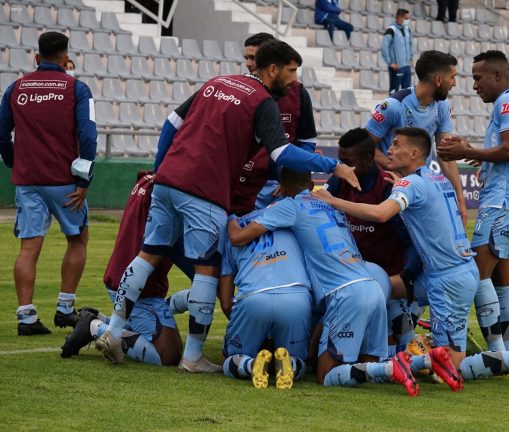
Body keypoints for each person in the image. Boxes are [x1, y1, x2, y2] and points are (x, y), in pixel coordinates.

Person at [96, 40, 359, 372]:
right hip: (205, 191)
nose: (294, 80)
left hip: (167, 181)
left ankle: (114, 331)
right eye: (291, 72)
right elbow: (282, 154)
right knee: (208, 269)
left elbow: (171, 123)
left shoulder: (216, 82)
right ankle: (192, 357)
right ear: (274, 69)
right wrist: (332, 166)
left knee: (148, 253)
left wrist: (162, 169)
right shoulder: (263, 102)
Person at [315, 127, 509, 392]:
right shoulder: (433, 178)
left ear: (414, 152)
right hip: (442, 273)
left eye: (396, 144)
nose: (389, 150)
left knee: (451, 367)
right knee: (385, 289)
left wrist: (333, 201)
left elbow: (382, 214)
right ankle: (409, 343)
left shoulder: (411, 183)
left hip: (448, 281)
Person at [227, 168, 420, 396]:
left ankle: (390, 367)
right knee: (367, 366)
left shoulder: (290, 206)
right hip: (372, 286)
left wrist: (230, 217)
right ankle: (421, 362)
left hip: (346, 293)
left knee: (326, 376)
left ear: (282, 188)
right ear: (311, 184)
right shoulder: (331, 205)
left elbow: (238, 237)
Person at [0, 32, 96, 336]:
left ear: (36, 58)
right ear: (66, 60)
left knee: (28, 248)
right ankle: (66, 308)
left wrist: (16, 163)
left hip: (28, 180)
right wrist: (83, 179)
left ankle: (26, 317)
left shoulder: (16, 88)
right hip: (64, 181)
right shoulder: (77, 88)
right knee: (78, 239)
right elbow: (89, 136)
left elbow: (2, 134)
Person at [436, 50, 509, 353]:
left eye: (478, 78)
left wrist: (469, 153)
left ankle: (496, 353)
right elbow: (506, 154)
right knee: (504, 277)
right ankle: (505, 349)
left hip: (501, 204)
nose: (475, 85)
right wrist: (480, 158)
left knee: (476, 275)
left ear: (498, 76)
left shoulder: (508, 103)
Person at [60, 171, 192, 365]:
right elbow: (177, 246)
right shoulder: (172, 191)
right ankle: (95, 328)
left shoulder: (148, 180)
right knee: (168, 355)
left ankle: (103, 320)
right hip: (140, 289)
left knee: (203, 284)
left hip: (126, 278)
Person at [325, 128, 422, 356]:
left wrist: (405, 279)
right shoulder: (339, 181)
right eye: (340, 161)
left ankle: (413, 344)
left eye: (347, 162)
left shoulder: (389, 187)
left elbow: (414, 243)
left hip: (389, 279)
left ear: (368, 160)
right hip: (353, 277)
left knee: (385, 344)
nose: (342, 167)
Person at [366, 50, 468, 226]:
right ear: (438, 80)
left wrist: (460, 199)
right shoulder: (393, 106)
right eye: (452, 77)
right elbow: (364, 147)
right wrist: (395, 167)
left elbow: (445, 154)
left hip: (420, 186)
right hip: (387, 187)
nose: (454, 83)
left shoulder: (442, 106)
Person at [220, 209, 312, 389]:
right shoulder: (290, 222)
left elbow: (225, 302)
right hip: (296, 295)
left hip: (254, 297)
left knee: (229, 359)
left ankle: (251, 365)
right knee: (301, 360)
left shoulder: (232, 230)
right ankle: (290, 364)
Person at [242, 33, 318, 210]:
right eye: (247, 57)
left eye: (253, 57)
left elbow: (306, 142)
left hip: (280, 187)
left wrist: (289, 179)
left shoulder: (298, 93)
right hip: (243, 185)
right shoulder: (241, 90)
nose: (248, 63)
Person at [381, 9, 413, 95]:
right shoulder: (391, 30)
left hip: (406, 66)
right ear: (400, 17)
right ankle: (390, 108)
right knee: (394, 93)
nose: (408, 20)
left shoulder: (407, 29)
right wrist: (390, 63)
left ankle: (404, 109)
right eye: (406, 18)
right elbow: (384, 47)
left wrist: (411, 58)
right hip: (396, 66)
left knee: (407, 93)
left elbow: (410, 44)